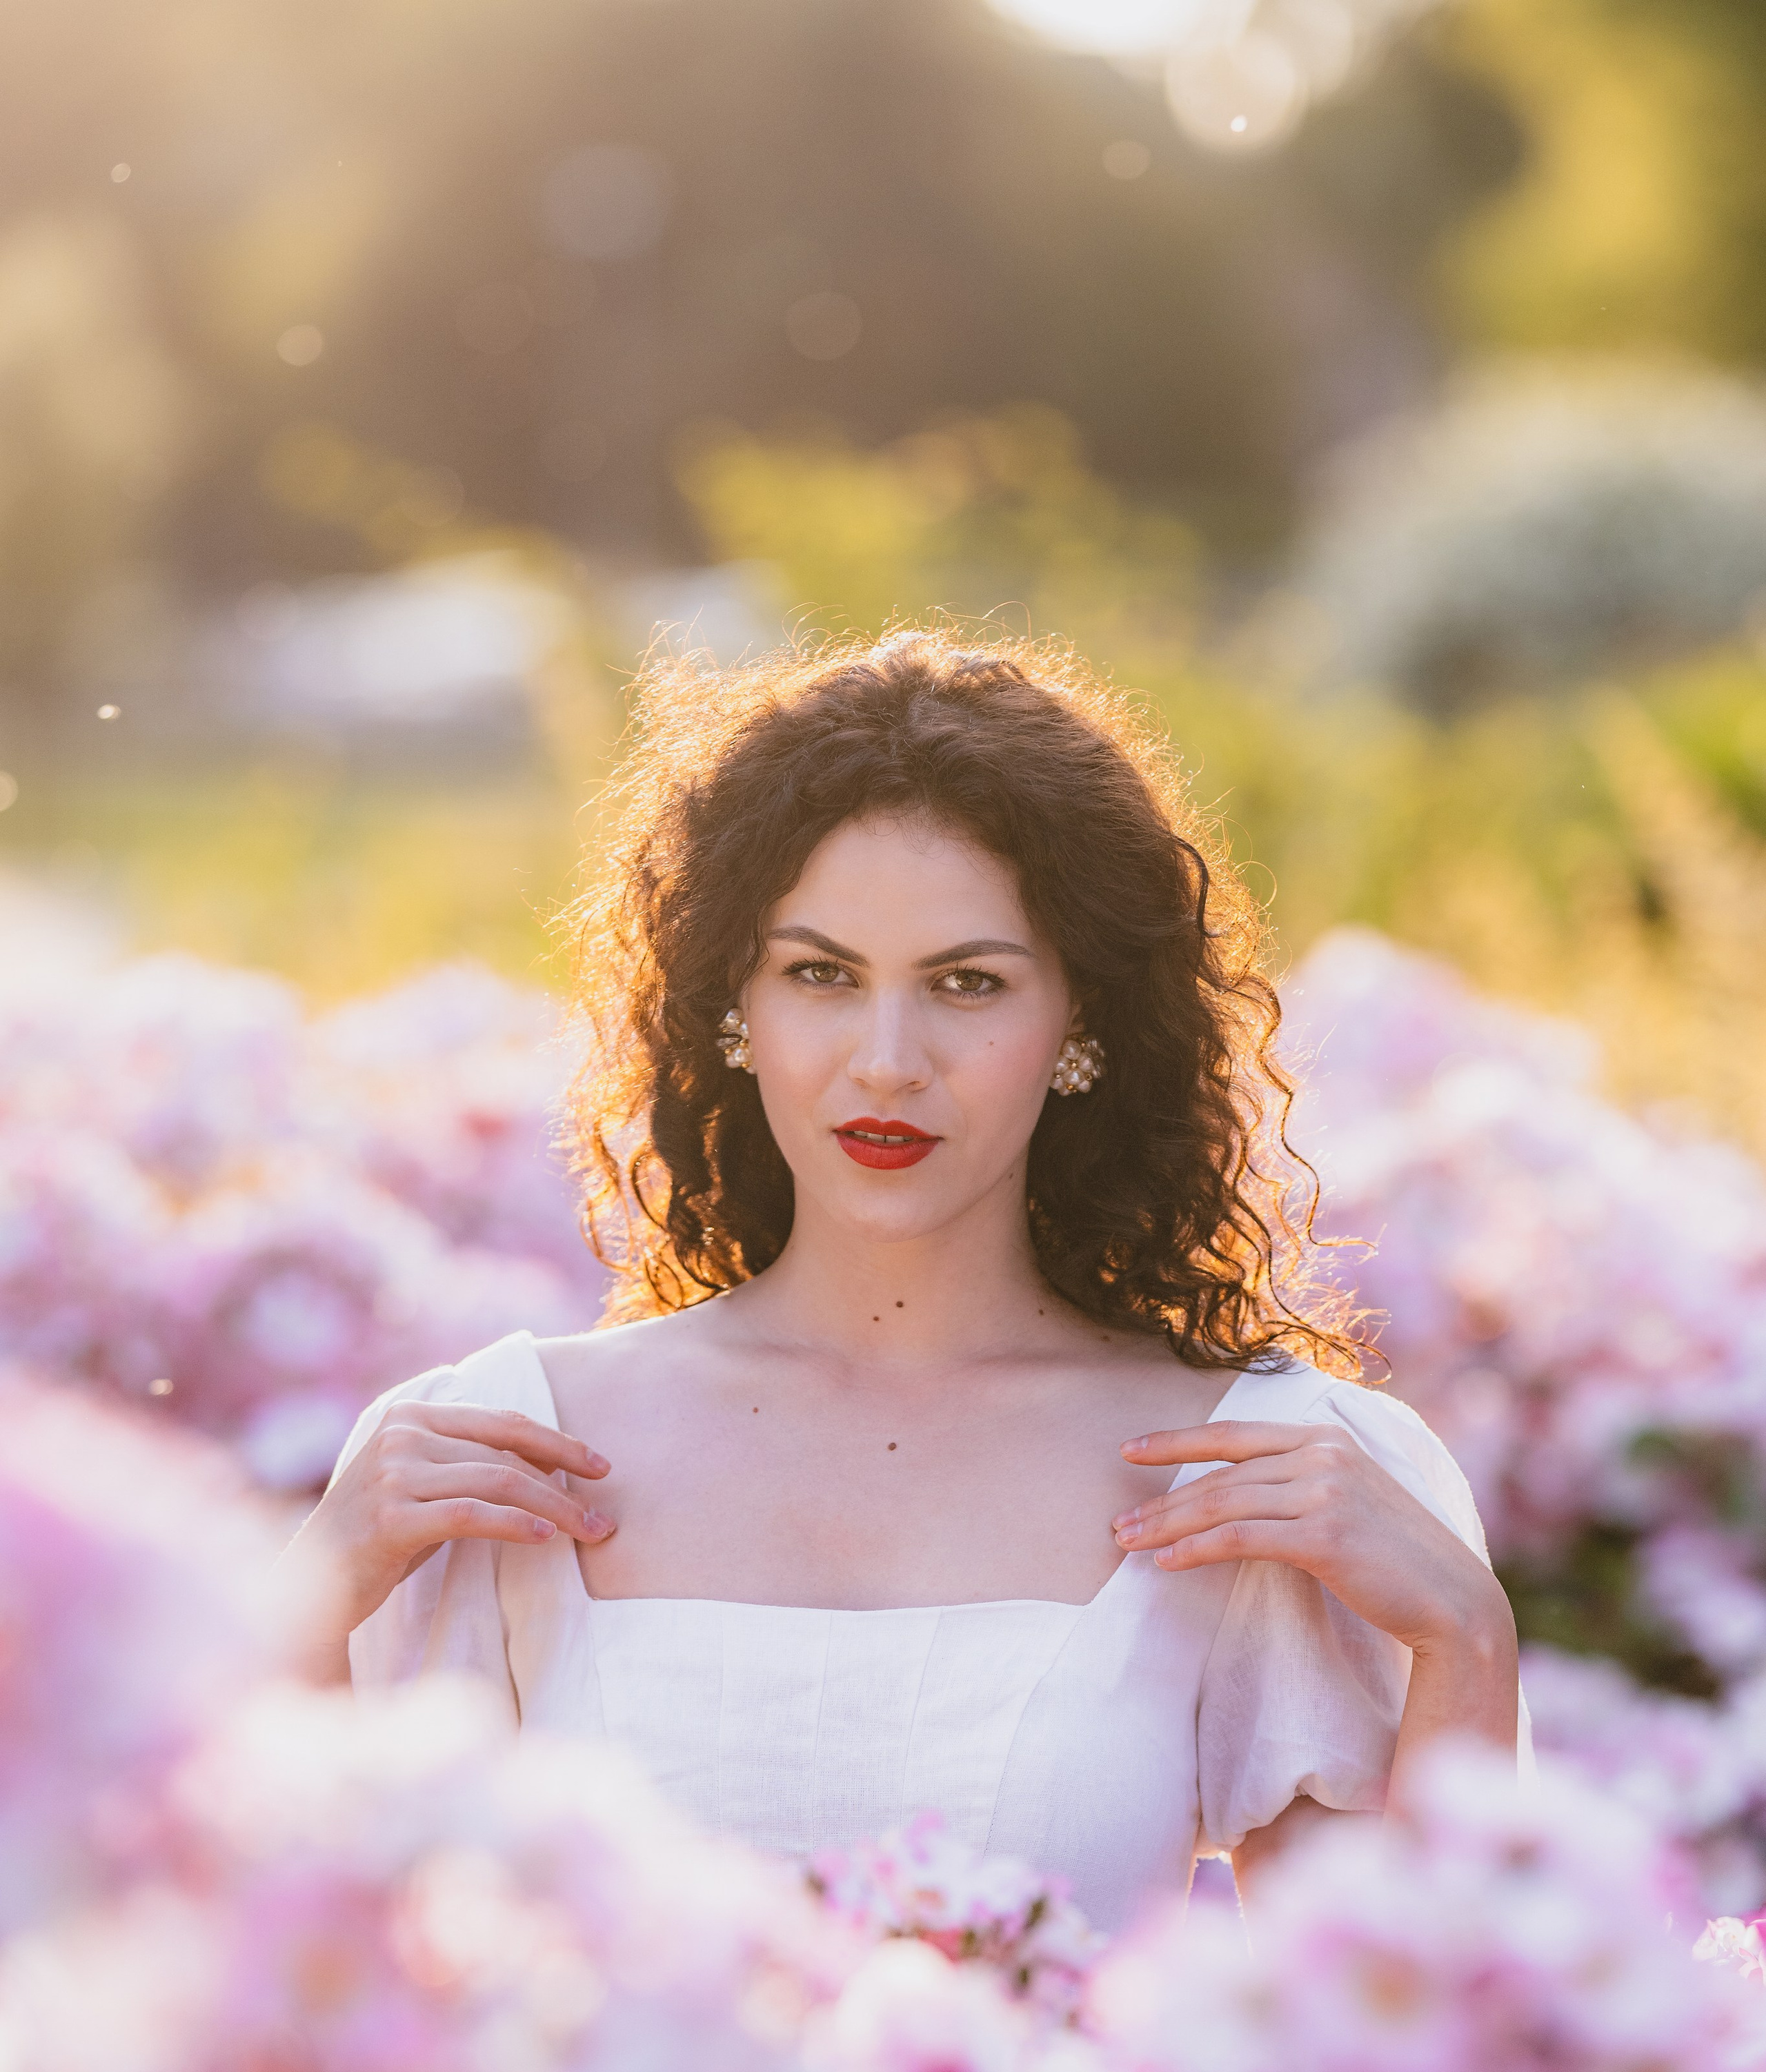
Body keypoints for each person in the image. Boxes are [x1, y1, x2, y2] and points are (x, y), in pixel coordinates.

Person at [284, 631, 1520, 1931]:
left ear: (1080, 1029)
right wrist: (304, 1608)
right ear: (735, 1009)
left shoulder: (1251, 1471)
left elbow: (1384, 2059)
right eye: (821, 975)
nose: (887, 1059)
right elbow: (324, 1996)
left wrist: (1468, 1642)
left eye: (967, 984)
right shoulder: (503, 1449)